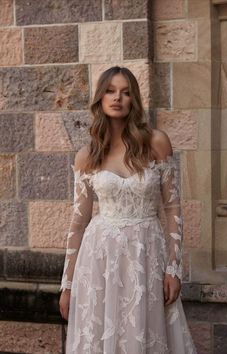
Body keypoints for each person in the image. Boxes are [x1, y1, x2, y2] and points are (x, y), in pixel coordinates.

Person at [59, 66, 197, 354]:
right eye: (110, 91)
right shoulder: (87, 155)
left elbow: (172, 209)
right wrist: (68, 284)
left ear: (134, 99)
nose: (117, 98)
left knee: (144, 333)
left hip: (145, 254)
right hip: (99, 260)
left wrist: (173, 268)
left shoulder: (157, 143)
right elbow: (79, 220)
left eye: (125, 92)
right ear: (100, 99)